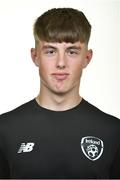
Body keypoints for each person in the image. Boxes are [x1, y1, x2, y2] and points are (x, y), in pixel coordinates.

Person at [0, 7, 120, 179]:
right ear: (35, 57)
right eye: (50, 51)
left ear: (87, 57)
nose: (61, 63)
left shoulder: (114, 132)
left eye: (72, 52)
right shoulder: (4, 130)